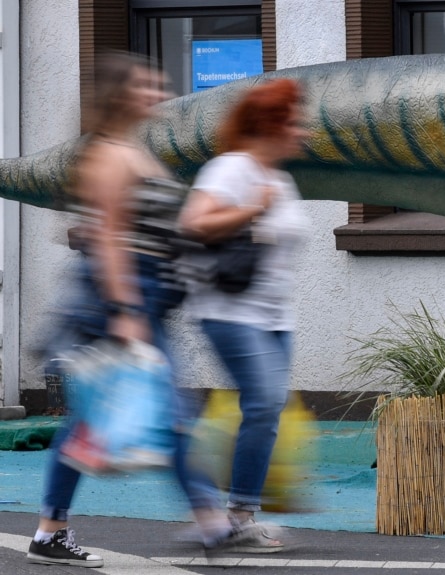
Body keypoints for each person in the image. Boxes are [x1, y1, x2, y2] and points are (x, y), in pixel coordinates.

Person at [27, 52, 249, 568]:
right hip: (124, 299)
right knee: (154, 412)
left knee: (122, 416)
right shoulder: (108, 154)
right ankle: (210, 522)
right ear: (121, 95)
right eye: (148, 84)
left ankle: (52, 529)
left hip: (145, 296)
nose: (160, 91)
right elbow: (106, 238)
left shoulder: (128, 149)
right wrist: (126, 309)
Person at [177, 78, 311, 552]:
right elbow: (194, 223)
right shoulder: (231, 169)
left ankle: (230, 510)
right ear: (269, 125)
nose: (302, 129)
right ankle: (236, 513)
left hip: (274, 317)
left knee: (265, 408)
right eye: (293, 120)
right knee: (265, 401)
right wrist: (253, 208)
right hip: (229, 310)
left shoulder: (281, 178)